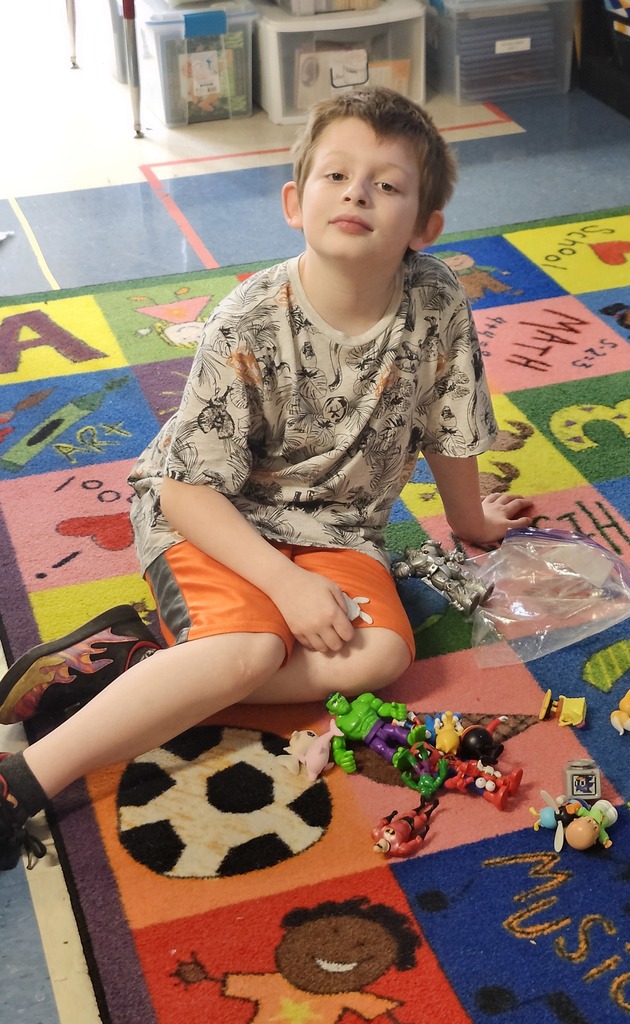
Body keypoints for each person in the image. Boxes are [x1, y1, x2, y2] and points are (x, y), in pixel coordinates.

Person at [0, 86, 533, 870]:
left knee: (385, 657)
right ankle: (22, 779)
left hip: (338, 531)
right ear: (295, 200)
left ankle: (146, 665)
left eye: (387, 185)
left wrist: (471, 521)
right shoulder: (248, 318)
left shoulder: (438, 300)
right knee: (251, 651)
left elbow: (449, 420)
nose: (358, 193)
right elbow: (187, 487)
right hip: (211, 518)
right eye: (336, 176)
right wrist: (285, 589)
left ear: (425, 227)